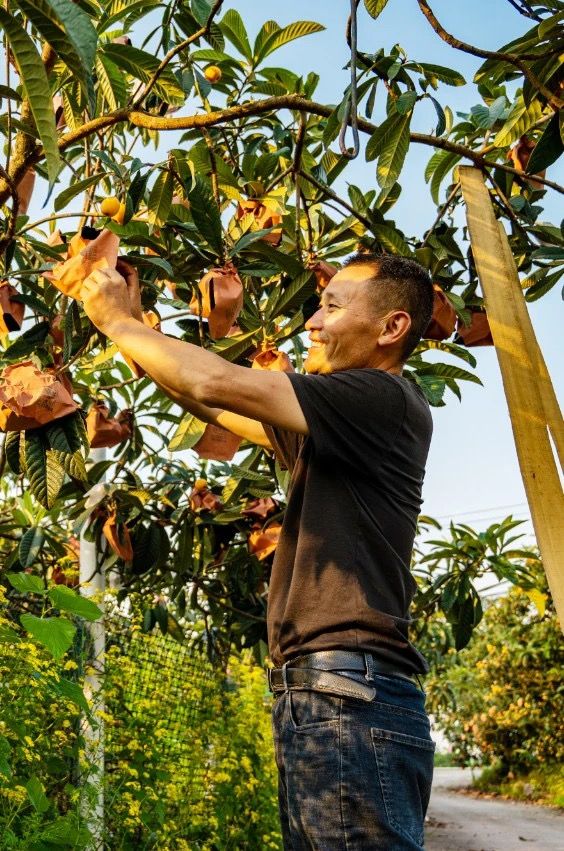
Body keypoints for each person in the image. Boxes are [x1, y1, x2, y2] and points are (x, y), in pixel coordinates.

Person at [82, 252, 436, 850]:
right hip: (329, 694)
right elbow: (214, 405)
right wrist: (136, 326)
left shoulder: (378, 398)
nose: (312, 325)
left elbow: (215, 381)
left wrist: (119, 323)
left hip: (347, 693)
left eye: (330, 306)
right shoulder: (336, 426)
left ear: (391, 328)